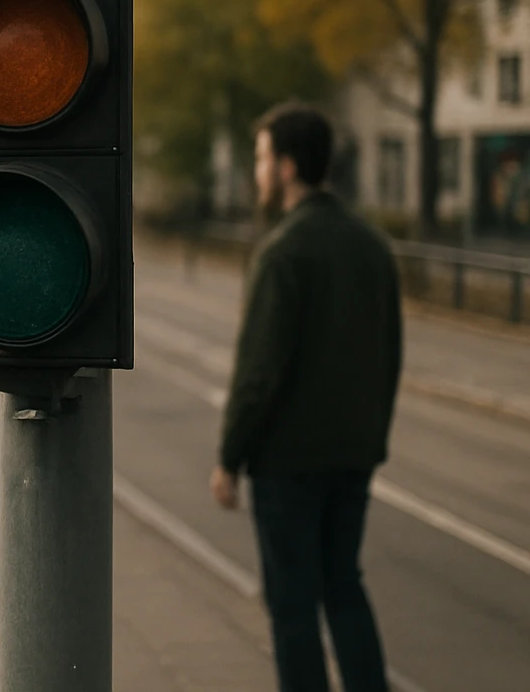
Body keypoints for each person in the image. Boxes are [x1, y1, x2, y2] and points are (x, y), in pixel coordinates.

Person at [211, 103, 402, 692]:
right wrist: (370, 437)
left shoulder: (284, 252)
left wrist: (230, 455)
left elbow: (258, 369)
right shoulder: (372, 246)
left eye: (264, 157)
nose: (258, 169)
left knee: (292, 606)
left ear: (289, 167)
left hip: (289, 463)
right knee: (343, 586)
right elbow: (388, 353)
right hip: (352, 456)